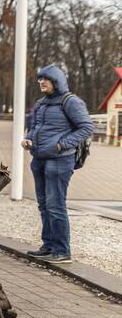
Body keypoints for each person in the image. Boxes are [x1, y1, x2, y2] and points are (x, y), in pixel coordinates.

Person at [21, 65, 93, 264]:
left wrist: (62, 145)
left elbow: (86, 127)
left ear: (57, 81)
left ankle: (62, 251)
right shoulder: (41, 103)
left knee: (55, 205)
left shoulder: (70, 102)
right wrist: (28, 138)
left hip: (60, 161)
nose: (42, 82)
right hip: (39, 159)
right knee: (44, 205)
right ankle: (49, 246)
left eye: (46, 79)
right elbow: (36, 127)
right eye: (40, 79)